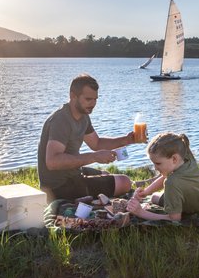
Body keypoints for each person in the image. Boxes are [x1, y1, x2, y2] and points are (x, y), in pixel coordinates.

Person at [37, 74, 138, 203]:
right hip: (59, 187)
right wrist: (94, 157)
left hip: (72, 173)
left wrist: (127, 140)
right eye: (88, 99)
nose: (93, 104)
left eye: (95, 99)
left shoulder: (83, 115)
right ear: (73, 96)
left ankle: (89, 196)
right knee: (124, 182)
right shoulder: (60, 120)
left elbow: (96, 143)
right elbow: (52, 162)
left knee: (106, 175)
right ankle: (79, 200)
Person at [126, 132, 199, 221]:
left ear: (174, 159)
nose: (155, 168)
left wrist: (140, 212)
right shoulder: (185, 155)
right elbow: (167, 176)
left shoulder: (171, 183)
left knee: (154, 197)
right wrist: (146, 191)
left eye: (158, 163)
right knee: (197, 177)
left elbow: (174, 218)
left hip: (196, 206)